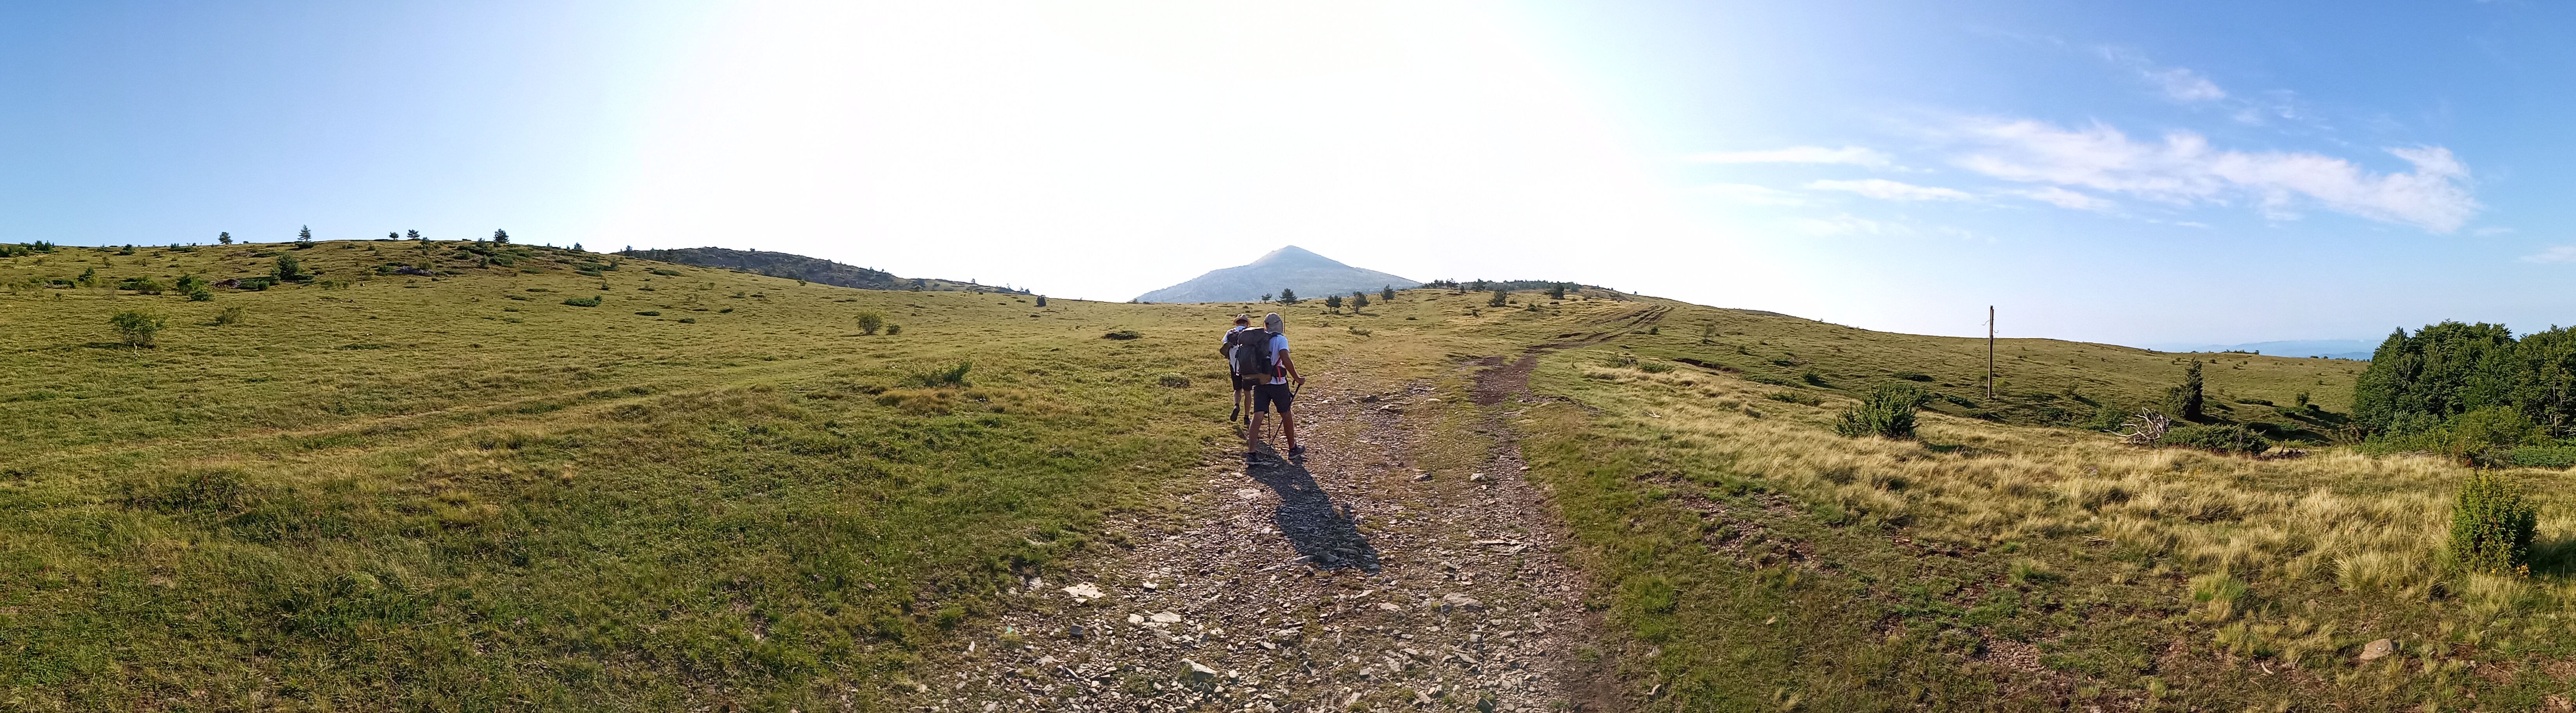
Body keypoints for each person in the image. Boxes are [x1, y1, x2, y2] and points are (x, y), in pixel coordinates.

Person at [1247, 312, 1304, 462]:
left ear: (1266, 325)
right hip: (1278, 383)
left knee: (1258, 415)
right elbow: (1285, 358)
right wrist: (1297, 378)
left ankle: (1251, 454)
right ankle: (1293, 449)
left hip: (1260, 382)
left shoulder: (1258, 339)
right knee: (1286, 414)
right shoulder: (1280, 339)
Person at [1220, 314, 1254, 422]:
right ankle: (1246, 417)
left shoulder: (1230, 333)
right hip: (1248, 367)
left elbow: (1224, 345)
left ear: (1237, 323)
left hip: (1234, 366)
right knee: (1248, 392)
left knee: (1237, 389)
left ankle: (1236, 405)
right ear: (1246, 323)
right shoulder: (1250, 333)